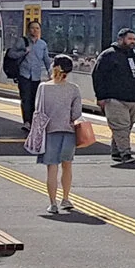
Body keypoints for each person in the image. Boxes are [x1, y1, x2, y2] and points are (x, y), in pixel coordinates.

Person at [32, 54, 83, 215]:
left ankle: (52, 203)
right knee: (67, 166)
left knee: (52, 168)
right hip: (69, 133)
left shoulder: (43, 87)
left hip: (49, 132)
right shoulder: (74, 89)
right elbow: (76, 114)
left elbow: (38, 111)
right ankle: (66, 199)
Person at [92, 27, 135, 163]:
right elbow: (97, 76)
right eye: (130, 39)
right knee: (121, 127)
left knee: (125, 128)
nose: (132, 42)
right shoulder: (108, 55)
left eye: (134, 39)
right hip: (115, 99)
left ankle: (116, 152)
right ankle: (126, 154)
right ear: (120, 39)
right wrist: (100, 97)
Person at [10, 20, 51, 131]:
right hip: (24, 75)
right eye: (33, 28)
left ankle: (34, 121)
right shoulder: (22, 42)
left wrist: (51, 73)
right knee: (26, 98)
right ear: (28, 30)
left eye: (37, 28)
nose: (35, 30)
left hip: (36, 76)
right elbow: (11, 54)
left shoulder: (42, 44)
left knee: (35, 100)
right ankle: (27, 122)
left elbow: (46, 60)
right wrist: (23, 52)